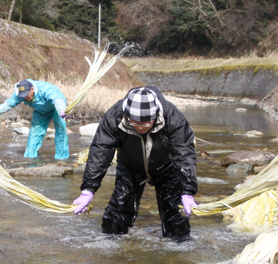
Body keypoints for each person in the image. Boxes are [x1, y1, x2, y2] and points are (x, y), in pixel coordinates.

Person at [70, 86, 198, 242]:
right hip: (130, 167)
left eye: (145, 123)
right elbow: (101, 151)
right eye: (135, 123)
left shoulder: (172, 117)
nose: (140, 127)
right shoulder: (114, 117)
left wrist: (187, 190)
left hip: (166, 167)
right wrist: (88, 189)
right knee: (116, 213)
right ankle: (110, 248)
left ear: (155, 115)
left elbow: (184, 153)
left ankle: (180, 254)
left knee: (176, 217)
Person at [0, 79, 70, 160]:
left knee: (60, 132)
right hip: (40, 111)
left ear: (32, 89)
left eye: (26, 95)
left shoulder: (45, 89)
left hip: (57, 108)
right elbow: (8, 105)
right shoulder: (19, 93)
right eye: (22, 95)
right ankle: (30, 159)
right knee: (34, 134)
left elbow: (58, 100)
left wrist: (62, 110)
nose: (25, 98)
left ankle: (61, 160)